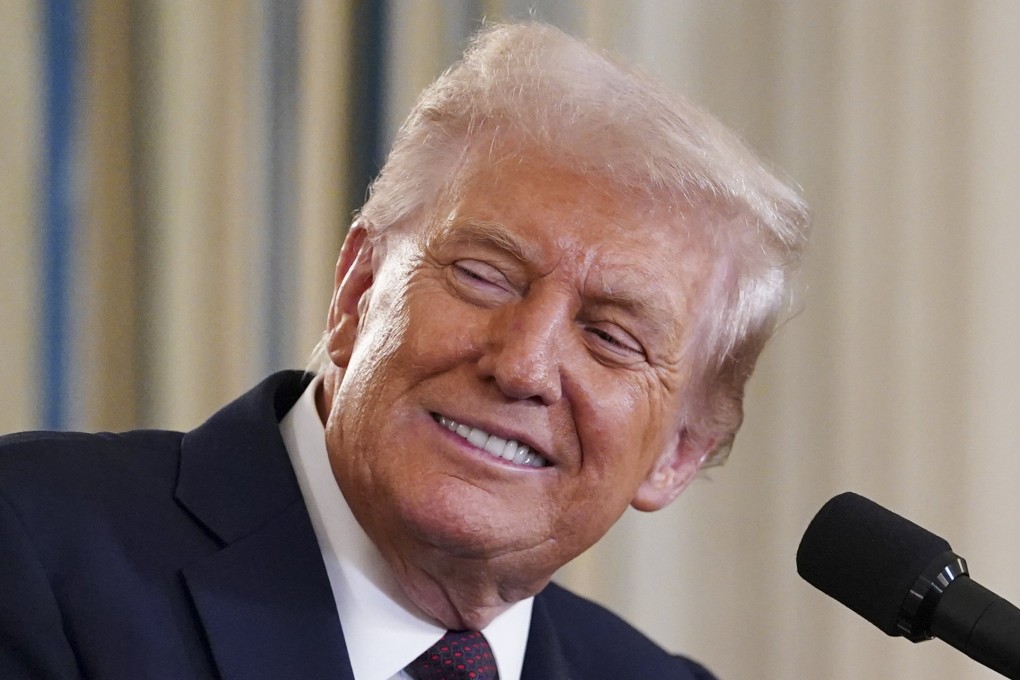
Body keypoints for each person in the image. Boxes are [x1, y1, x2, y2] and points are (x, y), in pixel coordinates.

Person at [0, 21, 808, 680]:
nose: (522, 365)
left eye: (609, 337)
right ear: (357, 292)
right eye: (485, 277)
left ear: (677, 454)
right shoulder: (33, 547)